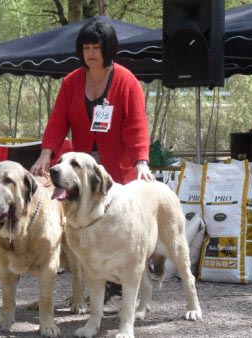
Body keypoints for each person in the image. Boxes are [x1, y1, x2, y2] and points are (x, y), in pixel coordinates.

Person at [30, 19, 153, 312]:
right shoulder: (71, 81)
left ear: (109, 49)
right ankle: (87, 292)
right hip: (80, 169)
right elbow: (58, 121)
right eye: (86, 47)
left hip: (116, 171)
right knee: (83, 228)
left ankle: (117, 293)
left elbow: (137, 125)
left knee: (114, 229)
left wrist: (141, 162)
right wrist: (47, 154)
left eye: (96, 47)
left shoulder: (126, 81)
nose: (91, 53)